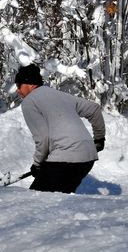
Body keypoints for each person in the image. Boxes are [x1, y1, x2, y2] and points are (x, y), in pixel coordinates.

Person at [15, 64, 105, 193]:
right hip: (87, 158)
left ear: (29, 83)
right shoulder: (61, 95)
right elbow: (94, 109)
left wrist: (37, 164)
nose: (17, 90)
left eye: (19, 85)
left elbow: (43, 138)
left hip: (64, 159)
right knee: (58, 203)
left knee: (35, 202)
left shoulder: (30, 101)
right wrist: (99, 138)